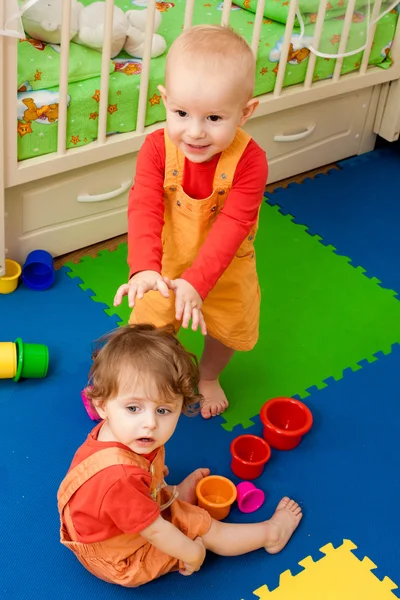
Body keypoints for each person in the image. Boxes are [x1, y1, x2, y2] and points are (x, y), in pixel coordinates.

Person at [57, 325, 302, 588]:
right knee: (205, 529)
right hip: (120, 558)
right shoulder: (120, 479)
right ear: (102, 405)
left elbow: (124, 483)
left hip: (105, 523)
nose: (149, 423)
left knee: (157, 493)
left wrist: (155, 481)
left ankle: (166, 497)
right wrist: (193, 553)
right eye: (133, 407)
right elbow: (156, 531)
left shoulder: (119, 431)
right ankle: (270, 535)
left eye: (163, 410)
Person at [114, 24, 268, 419]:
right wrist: (144, 268)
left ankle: (209, 376)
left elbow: (234, 224)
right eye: (181, 113)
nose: (195, 132)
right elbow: (144, 205)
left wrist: (197, 284)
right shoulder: (155, 148)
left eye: (214, 117)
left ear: (245, 112)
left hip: (225, 266)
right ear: (164, 100)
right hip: (165, 261)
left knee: (226, 328)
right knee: (149, 328)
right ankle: (155, 379)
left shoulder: (251, 162)